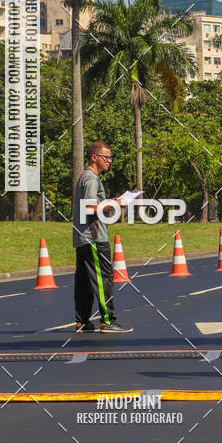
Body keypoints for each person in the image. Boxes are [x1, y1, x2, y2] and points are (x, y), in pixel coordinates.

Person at [73, 141, 133, 333]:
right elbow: (90, 208)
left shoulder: (85, 177)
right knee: (103, 279)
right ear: (94, 157)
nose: (109, 161)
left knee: (84, 282)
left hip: (83, 238)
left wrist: (110, 202)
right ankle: (107, 321)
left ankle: (82, 321)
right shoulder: (91, 179)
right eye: (106, 157)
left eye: (110, 157)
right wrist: (116, 204)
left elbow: (93, 204)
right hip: (94, 238)